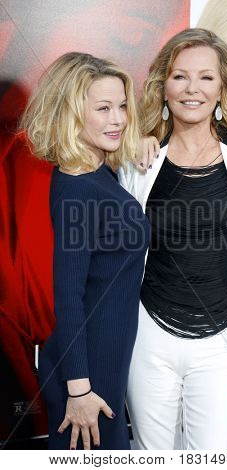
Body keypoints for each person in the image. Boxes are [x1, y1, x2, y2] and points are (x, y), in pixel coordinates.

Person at [118, 28, 227, 449]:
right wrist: (132, 143)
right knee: (149, 455)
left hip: (224, 340)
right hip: (146, 337)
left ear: (223, 88)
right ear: (164, 86)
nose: (192, 88)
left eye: (206, 77)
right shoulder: (138, 159)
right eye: (180, 76)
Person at [20, 52, 150, 450]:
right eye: (103, 108)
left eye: (122, 106)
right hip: (86, 374)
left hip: (103, 363)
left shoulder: (98, 171)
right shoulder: (78, 189)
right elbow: (69, 297)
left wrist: (146, 141)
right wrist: (79, 390)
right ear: (72, 114)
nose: (118, 118)